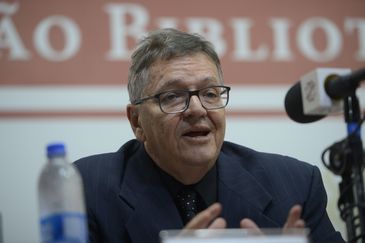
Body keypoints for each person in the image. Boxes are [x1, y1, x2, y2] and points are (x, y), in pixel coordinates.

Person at [74, 28, 345, 243]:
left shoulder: (295, 186)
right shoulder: (86, 188)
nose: (197, 109)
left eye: (210, 93)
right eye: (172, 96)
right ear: (136, 121)